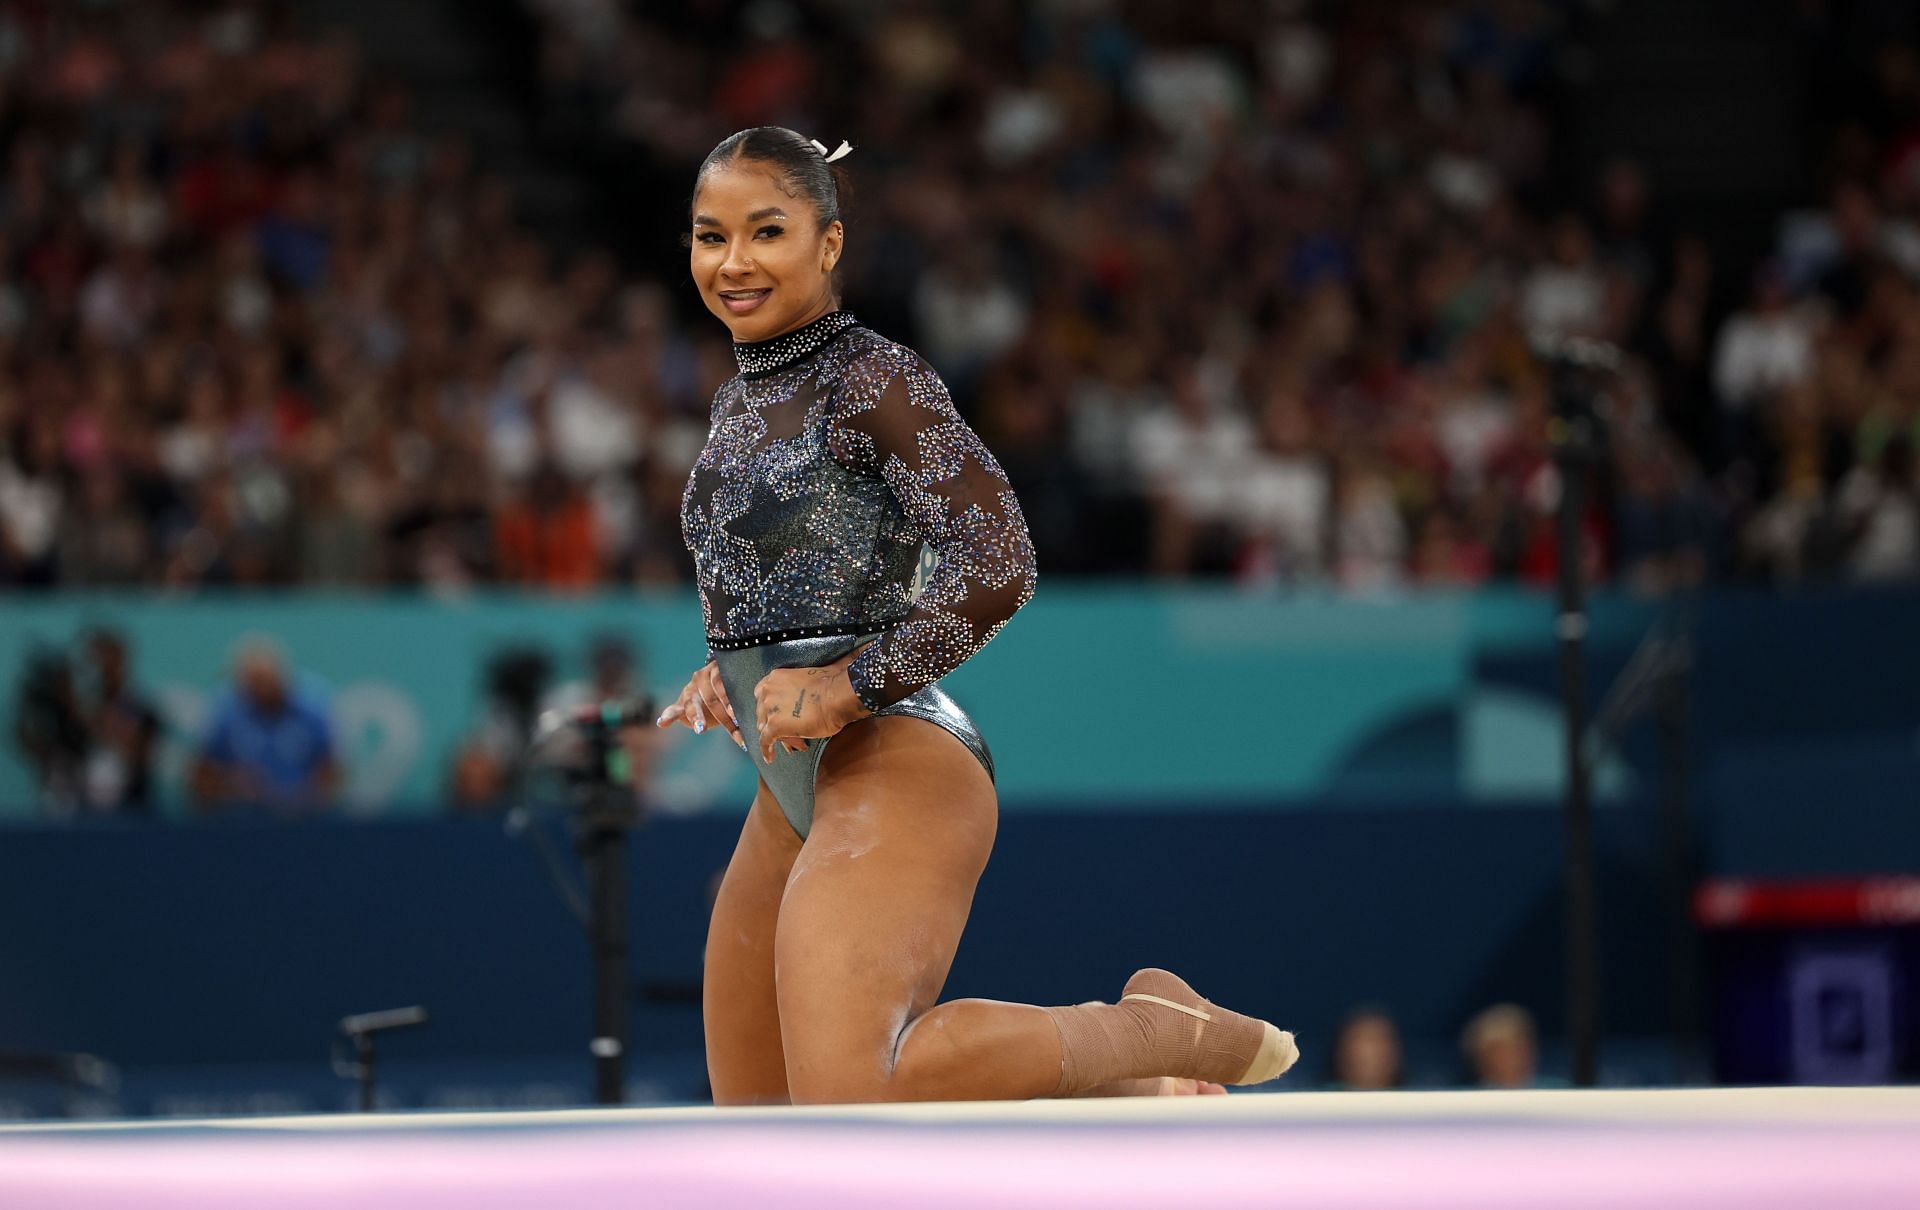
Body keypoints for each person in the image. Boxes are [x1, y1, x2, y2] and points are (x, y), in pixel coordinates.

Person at [655, 127, 1298, 1105]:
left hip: (891, 759)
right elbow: (787, 576)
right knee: (757, 1121)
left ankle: (1139, 1028)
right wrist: (732, 667)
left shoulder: (874, 378)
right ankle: (1136, 1096)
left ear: (827, 245)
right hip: (784, 789)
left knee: (848, 1092)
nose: (733, 261)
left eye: (766, 231)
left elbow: (999, 562)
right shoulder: (734, 405)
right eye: (711, 236)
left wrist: (841, 683)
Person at [190, 638, 338, 814]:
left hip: (305, 816)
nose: (263, 689)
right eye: (254, 683)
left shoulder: (313, 712)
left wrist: (305, 798)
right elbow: (202, 776)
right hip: (242, 817)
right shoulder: (224, 714)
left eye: (267, 680)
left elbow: (332, 770)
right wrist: (230, 785)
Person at [1327, 1005, 1404, 1090]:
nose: (1375, 1050)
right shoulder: (1319, 1099)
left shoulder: (1417, 1099)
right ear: (1340, 1053)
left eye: (1381, 1039)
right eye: (1360, 1038)